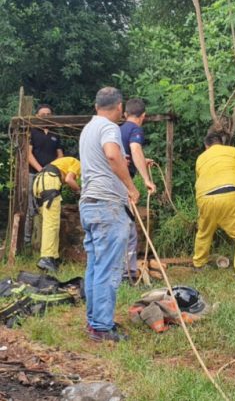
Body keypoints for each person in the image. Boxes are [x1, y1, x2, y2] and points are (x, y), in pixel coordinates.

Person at [79, 87, 139, 342]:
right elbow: (112, 155)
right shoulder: (109, 127)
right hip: (107, 205)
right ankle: (102, 328)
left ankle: (95, 322)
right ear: (119, 108)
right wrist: (131, 186)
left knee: (95, 266)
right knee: (109, 267)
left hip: (89, 203)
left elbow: (107, 158)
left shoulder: (88, 128)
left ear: (95, 106)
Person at [192, 129, 235, 280]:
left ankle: (199, 264)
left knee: (204, 232)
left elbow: (199, 180)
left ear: (206, 146)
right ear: (221, 143)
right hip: (230, 194)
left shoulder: (201, 158)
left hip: (205, 198)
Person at [119, 98, 157, 281]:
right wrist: (147, 180)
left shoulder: (118, 129)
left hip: (112, 185)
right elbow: (135, 150)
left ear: (125, 114)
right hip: (122, 187)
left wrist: (142, 160)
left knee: (119, 230)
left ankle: (120, 271)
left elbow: (127, 154)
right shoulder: (135, 129)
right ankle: (127, 275)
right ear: (143, 116)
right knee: (129, 233)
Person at [32, 156, 80, 272]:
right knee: (51, 224)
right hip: (50, 181)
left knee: (50, 222)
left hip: (39, 181)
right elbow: (69, 180)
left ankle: (53, 258)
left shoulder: (63, 162)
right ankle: (46, 258)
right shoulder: (78, 163)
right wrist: (79, 191)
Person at [24, 105, 63, 245]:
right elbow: (28, 154)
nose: (46, 116)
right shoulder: (32, 132)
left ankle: (45, 242)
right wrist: (41, 169)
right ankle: (27, 241)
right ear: (37, 116)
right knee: (31, 207)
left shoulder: (55, 133)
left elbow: (60, 155)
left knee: (49, 207)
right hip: (34, 174)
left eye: (49, 113)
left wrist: (50, 170)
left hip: (51, 177)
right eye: (43, 114)